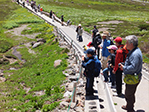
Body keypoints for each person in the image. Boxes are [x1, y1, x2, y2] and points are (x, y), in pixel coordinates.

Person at [119, 35, 142, 112]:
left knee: (129, 94)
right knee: (129, 93)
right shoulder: (134, 51)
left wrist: (124, 68)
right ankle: (129, 105)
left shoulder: (135, 54)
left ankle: (130, 109)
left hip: (133, 78)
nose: (125, 44)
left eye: (127, 43)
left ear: (131, 44)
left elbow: (133, 67)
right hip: (132, 77)